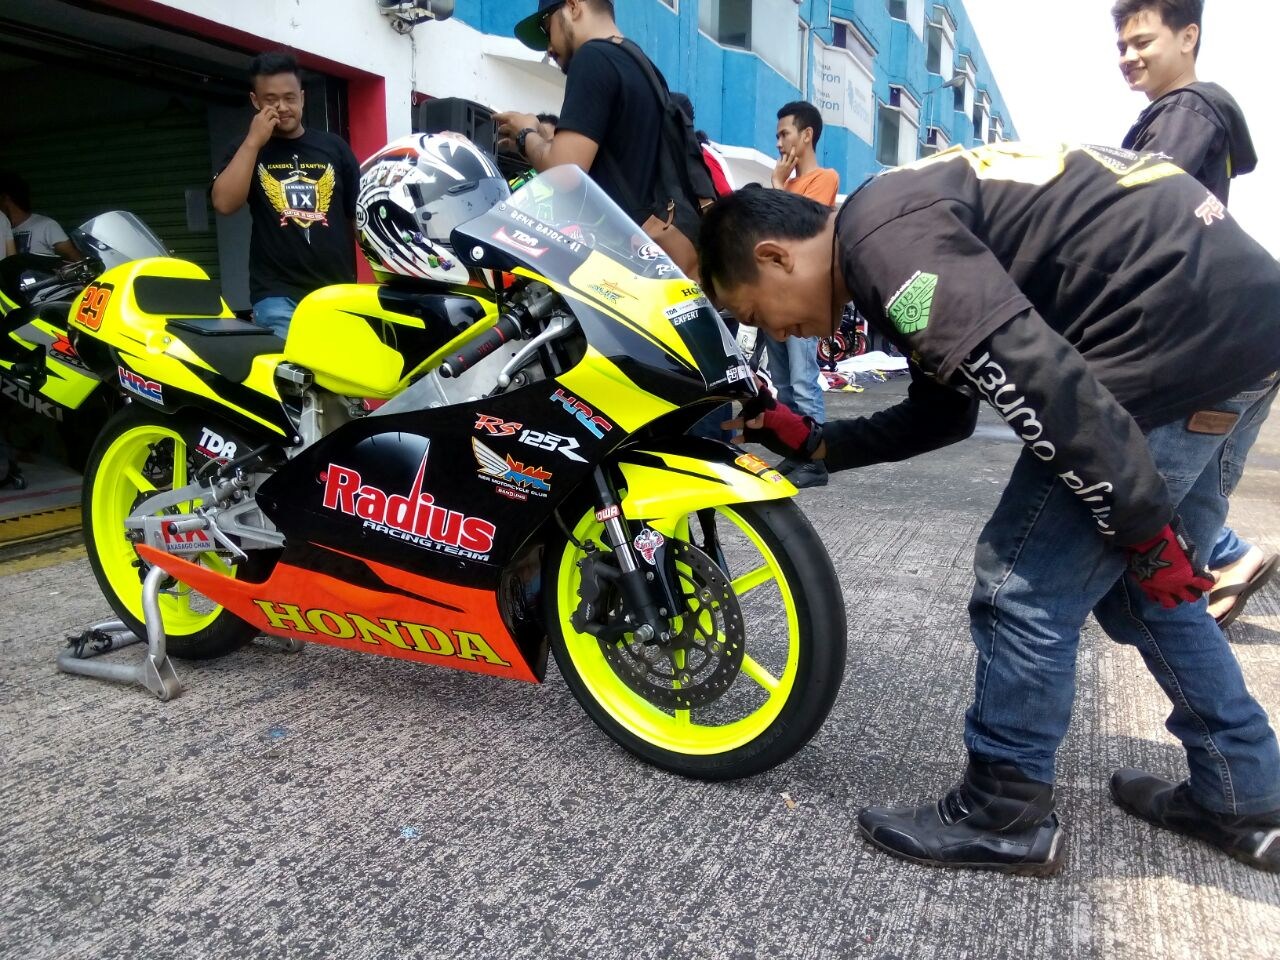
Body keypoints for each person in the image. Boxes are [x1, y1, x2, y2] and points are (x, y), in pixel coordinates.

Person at [701, 142, 1280, 875]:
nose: (780, 334)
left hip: (1171, 337)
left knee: (1022, 589)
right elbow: (944, 413)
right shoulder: (892, 233)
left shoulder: (885, 243)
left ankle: (1003, 811)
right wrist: (817, 442)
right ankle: (1245, 794)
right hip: (1242, 325)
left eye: (759, 314)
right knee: (1146, 591)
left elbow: (1038, 379)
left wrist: (1142, 524)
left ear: (776, 256)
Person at [1114, 0, 1276, 629]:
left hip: (1208, 345)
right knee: (1198, 502)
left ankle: (1203, 583)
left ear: (1189, 36)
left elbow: (1140, 214)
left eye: (1142, 41)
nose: (1128, 57)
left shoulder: (1185, 111)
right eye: (1121, 46)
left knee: (1148, 513)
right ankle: (1224, 566)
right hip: (1248, 342)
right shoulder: (1200, 115)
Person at [496, 0, 711, 278]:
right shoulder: (640, 64)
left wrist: (525, 134)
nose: (549, 48)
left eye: (548, 30)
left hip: (629, 262)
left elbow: (565, 171)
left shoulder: (592, 58)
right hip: (660, 253)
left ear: (573, 6)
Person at [211, 51, 359, 338]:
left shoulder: (334, 147)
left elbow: (358, 217)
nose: (282, 107)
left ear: (302, 97)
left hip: (339, 294)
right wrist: (254, 141)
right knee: (288, 368)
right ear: (255, 101)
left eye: (290, 98)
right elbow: (224, 203)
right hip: (277, 296)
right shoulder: (245, 148)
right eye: (271, 100)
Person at [762, 101, 839, 488]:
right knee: (784, 384)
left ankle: (816, 461)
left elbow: (801, 231)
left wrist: (777, 187)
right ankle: (798, 452)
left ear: (806, 135)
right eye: (777, 136)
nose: (779, 143)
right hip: (775, 300)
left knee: (804, 380)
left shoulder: (825, 178)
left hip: (803, 300)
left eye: (784, 134)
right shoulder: (787, 186)